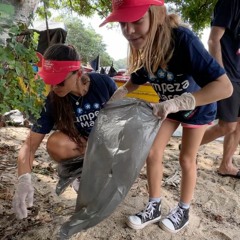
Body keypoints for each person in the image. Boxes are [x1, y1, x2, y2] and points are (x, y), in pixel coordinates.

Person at [100, 0, 233, 234]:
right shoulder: (148, 45)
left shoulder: (183, 39)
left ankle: (183, 210)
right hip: (168, 108)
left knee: (186, 158)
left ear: (156, 15)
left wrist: (181, 101)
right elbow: (135, 81)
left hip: (197, 107)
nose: (128, 30)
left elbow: (224, 88)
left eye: (137, 21)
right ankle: (154, 205)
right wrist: (115, 98)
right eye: (122, 23)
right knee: (152, 152)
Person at [12, 44, 117, 220]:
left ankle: (106, 169)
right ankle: (81, 173)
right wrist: (23, 179)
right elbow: (29, 145)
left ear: (77, 73)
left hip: (110, 143)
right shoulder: (53, 100)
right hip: (83, 145)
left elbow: (124, 120)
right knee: (55, 143)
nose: (54, 86)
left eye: (59, 81)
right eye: (49, 80)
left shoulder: (103, 83)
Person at [200, 0, 240, 179]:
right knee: (227, 125)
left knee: (239, 125)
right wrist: (221, 75)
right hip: (229, 75)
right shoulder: (231, 2)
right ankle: (189, 145)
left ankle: (226, 165)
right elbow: (213, 40)